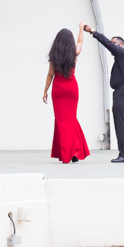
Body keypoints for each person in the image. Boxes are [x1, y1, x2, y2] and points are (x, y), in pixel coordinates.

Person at [83, 25, 124, 163]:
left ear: (121, 44)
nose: (112, 46)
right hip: (122, 92)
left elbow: (107, 44)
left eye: (114, 43)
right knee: (122, 123)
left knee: (121, 124)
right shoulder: (122, 58)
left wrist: (93, 32)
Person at [43, 24, 90, 164]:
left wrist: (45, 89)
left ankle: (66, 153)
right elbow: (80, 42)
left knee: (61, 121)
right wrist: (81, 29)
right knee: (71, 119)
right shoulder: (74, 53)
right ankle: (75, 152)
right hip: (71, 88)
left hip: (58, 89)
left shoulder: (54, 55)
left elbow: (51, 74)